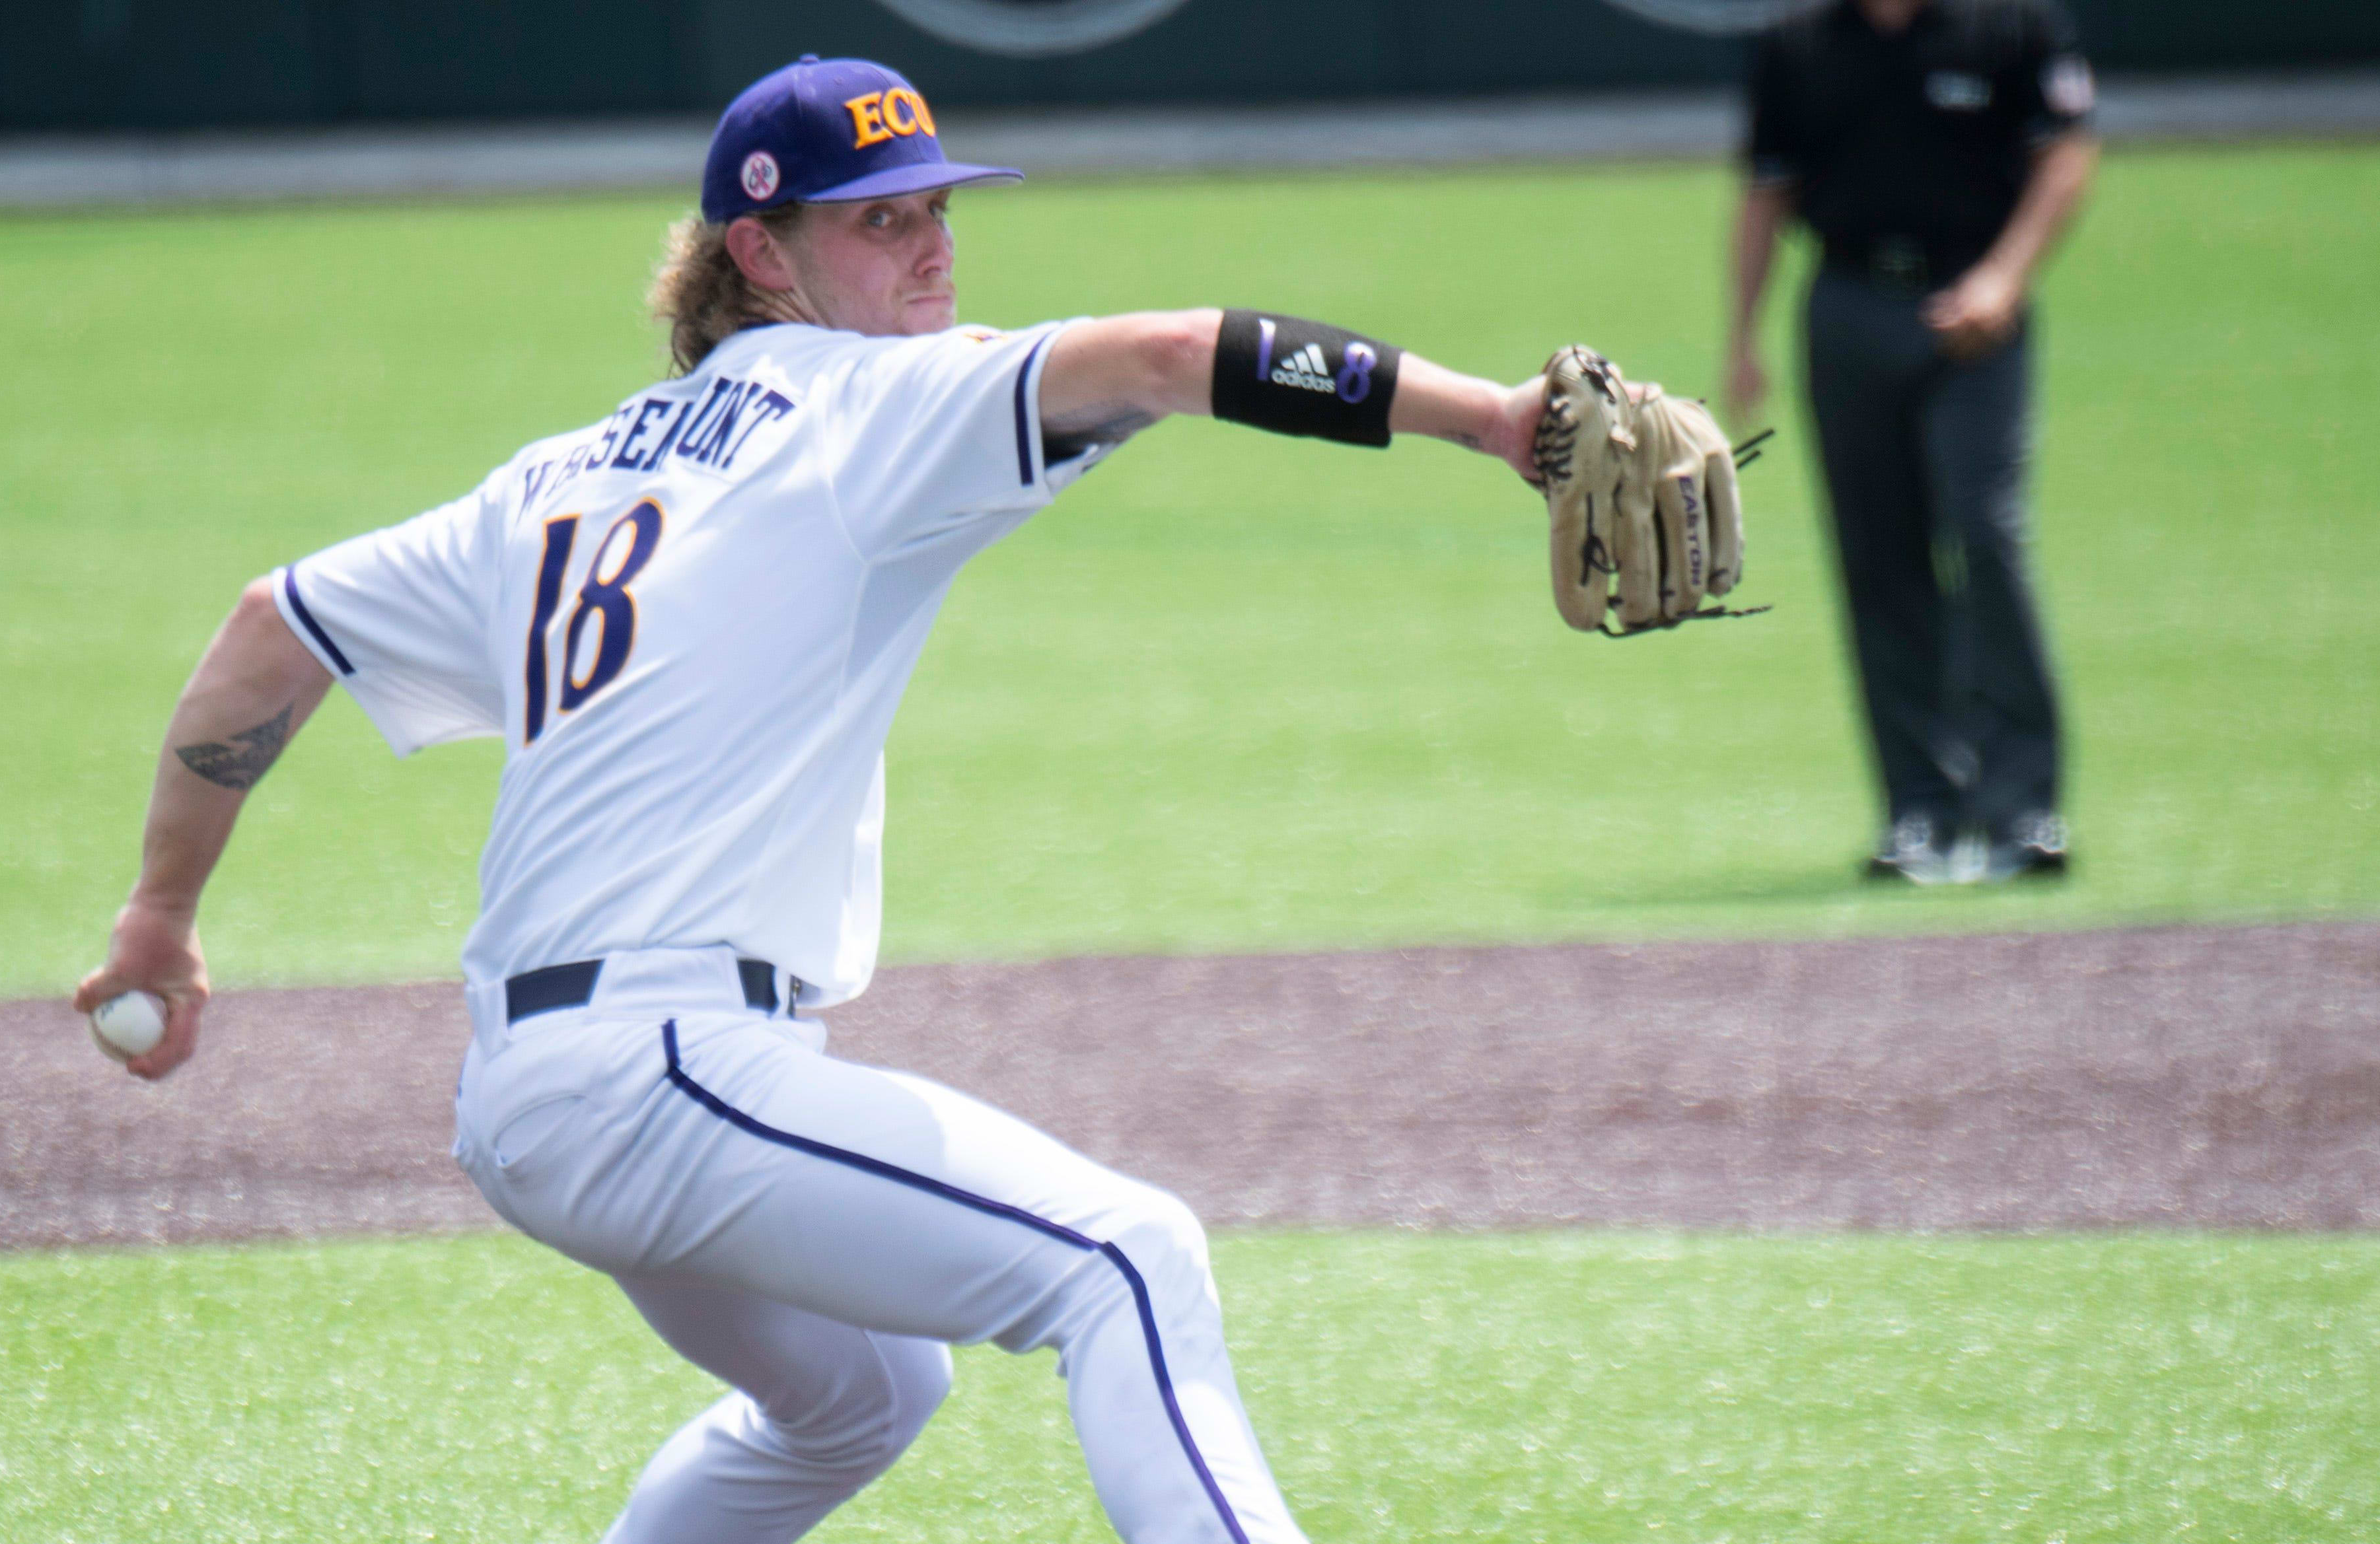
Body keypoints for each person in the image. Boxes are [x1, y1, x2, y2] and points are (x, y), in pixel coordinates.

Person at [76, 55, 1567, 1544]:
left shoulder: (553, 481)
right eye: (877, 220)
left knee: (868, 1394)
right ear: (759, 253)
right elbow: (1179, 351)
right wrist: (1492, 415)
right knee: (1127, 1257)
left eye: (936, 208)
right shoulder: (867, 408)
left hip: (536, 1096)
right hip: (660, 1072)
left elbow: (276, 625)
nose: (927, 245)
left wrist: (158, 913)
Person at [1722, 0, 2098, 884]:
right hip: (1850, 302)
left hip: (1972, 305)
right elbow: (1765, 188)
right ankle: (1918, 810)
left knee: (1983, 529)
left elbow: (2065, 154)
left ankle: (2021, 804)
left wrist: (2005, 278)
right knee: (1876, 555)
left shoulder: (2005, 26)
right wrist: (1741, 334)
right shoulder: (1800, 44)